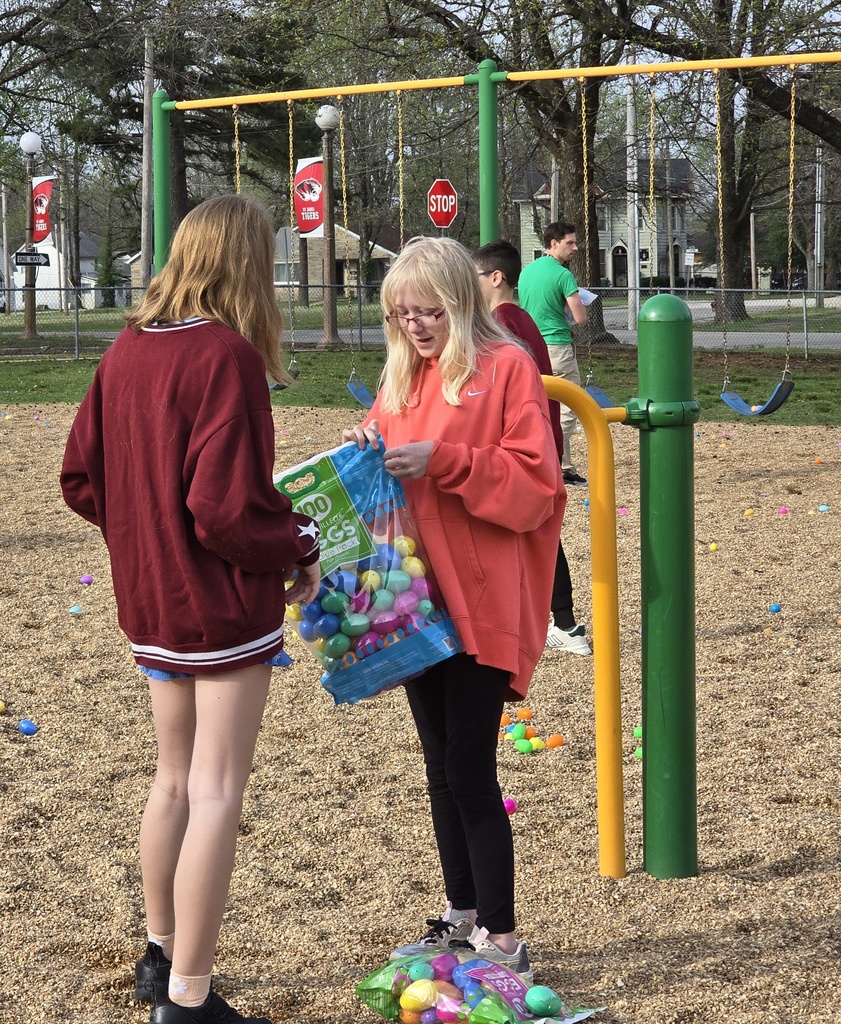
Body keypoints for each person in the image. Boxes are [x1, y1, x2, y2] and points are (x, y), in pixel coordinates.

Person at [60, 195, 321, 1024]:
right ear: (245, 264)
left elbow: (80, 480)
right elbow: (227, 510)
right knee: (214, 789)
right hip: (217, 602)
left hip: (151, 601)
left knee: (173, 780)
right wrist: (302, 543)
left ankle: (161, 950)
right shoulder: (226, 357)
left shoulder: (125, 349)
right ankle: (189, 996)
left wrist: (143, 538)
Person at [342, 236, 565, 982]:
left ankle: (502, 936)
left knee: (469, 766)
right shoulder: (401, 375)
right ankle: (462, 917)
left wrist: (447, 461)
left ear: (462, 304)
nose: (415, 326)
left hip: (484, 599)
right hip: (414, 600)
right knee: (439, 766)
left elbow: (536, 487)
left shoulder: (506, 369)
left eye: (428, 312)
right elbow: (385, 460)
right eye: (401, 314)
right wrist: (363, 449)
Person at [474, 239, 591, 656]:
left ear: (495, 278)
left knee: (522, 530)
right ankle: (561, 622)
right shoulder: (521, 317)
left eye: (475, 277)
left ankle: (558, 622)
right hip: (540, 438)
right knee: (536, 532)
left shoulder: (502, 323)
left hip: (521, 445)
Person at [517, 220, 589, 488]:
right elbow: (580, 317)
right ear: (553, 244)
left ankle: (565, 466)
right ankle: (549, 451)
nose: (576, 247)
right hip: (557, 347)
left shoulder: (527, 272)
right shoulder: (563, 275)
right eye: (570, 242)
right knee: (571, 406)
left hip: (531, 347)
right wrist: (575, 305)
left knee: (546, 405)